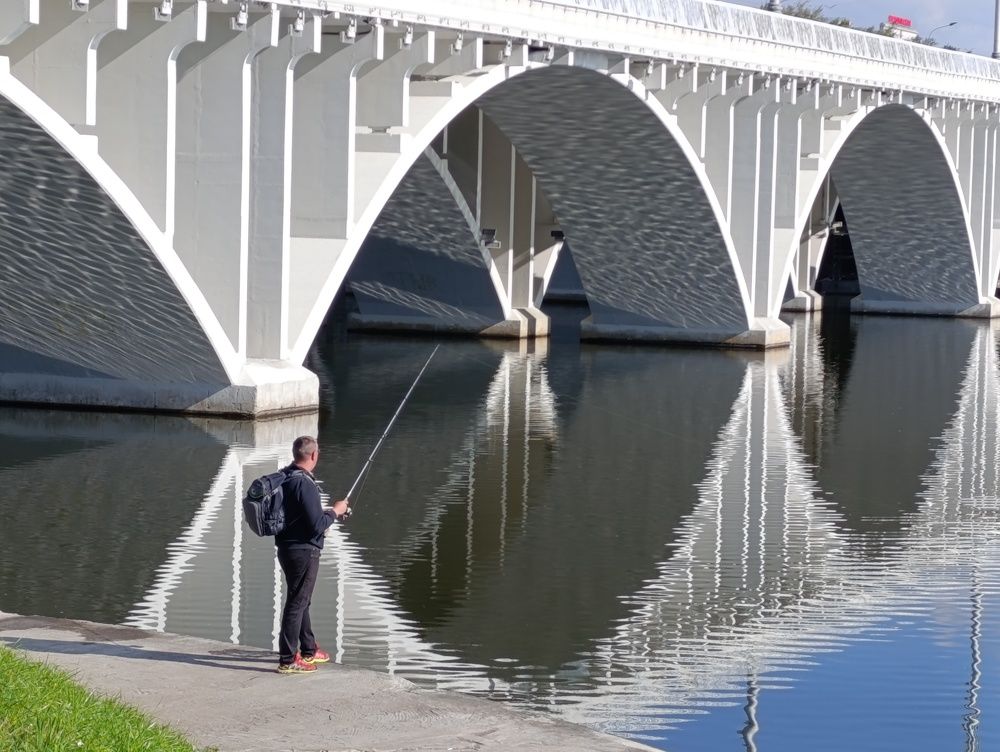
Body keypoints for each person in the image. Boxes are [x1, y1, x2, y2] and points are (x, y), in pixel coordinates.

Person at [275, 435, 349, 674]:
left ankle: (308, 649)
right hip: (304, 551)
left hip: (286, 547)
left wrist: (326, 513)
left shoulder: (286, 477)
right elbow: (317, 525)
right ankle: (288, 659)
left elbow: (305, 516)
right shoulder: (305, 484)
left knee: (301, 598)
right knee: (297, 602)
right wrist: (336, 512)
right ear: (314, 456)